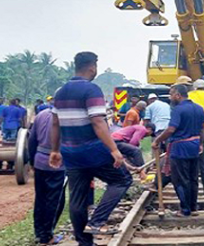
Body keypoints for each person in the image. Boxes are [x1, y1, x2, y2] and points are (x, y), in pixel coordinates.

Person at [49, 51, 132, 244]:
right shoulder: (91, 89)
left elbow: (55, 123)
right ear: (92, 67)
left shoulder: (60, 92)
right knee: (122, 180)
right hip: (92, 150)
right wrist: (113, 150)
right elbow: (98, 121)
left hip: (70, 152)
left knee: (78, 197)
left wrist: (55, 150)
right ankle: (97, 221)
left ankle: (84, 242)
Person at [152, 84, 204, 217]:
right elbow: (203, 128)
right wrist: (200, 143)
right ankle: (193, 207)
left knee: (180, 179)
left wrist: (157, 140)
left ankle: (185, 209)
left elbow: (171, 129)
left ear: (177, 95)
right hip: (194, 145)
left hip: (180, 147)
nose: (170, 98)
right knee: (193, 178)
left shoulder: (178, 110)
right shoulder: (199, 108)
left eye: (171, 95)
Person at [29, 108, 66, 246]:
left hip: (39, 161)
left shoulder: (41, 114)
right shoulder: (65, 116)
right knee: (54, 200)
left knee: (40, 198)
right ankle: (47, 236)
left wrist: (32, 160)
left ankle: (39, 233)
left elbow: (31, 140)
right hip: (57, 163)